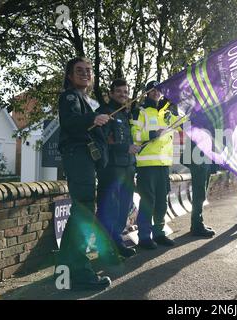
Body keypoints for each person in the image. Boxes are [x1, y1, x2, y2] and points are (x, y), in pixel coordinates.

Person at [57, 57, 113, 290]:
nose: (85, 74)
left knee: (82, 211)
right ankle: (79, 272)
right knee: (85, 211)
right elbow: (70, 123)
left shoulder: (85, 99)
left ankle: (66, 270)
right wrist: (93, 118)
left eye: (89, 70)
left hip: (83, 159)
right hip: (77, 157)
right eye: (79, 70)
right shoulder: (70, 96)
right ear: (69, 76)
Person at [130, 80, 179, 250]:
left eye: (158, 90)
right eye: (152, 90)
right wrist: (152, 133)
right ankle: (144, 237)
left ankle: (159, 234)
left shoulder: (167, 114)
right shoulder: (140, 111)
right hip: (146, 165)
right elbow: (134, 135)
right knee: (147, 202)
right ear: (147, 92)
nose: (155, 93)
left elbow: (183, 123)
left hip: (163, 165)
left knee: (161, 202)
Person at [96, 79, 139, 258]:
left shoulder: (125, 113)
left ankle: (117, 242)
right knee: (109, 209)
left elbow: (126, 140)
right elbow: (102, 141)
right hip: (111, 168)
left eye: (125, 91)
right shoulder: (105, 112)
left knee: (123, 208)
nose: (123, 94)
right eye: (119, 91)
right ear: (111, 93)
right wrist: (125, 148)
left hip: (127, 167)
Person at [183, 140, 216, 237]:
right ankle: (197, 226)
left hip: (204, 157)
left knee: (201, 193)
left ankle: (197, 223)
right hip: (198, 157)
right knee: (199, 194)